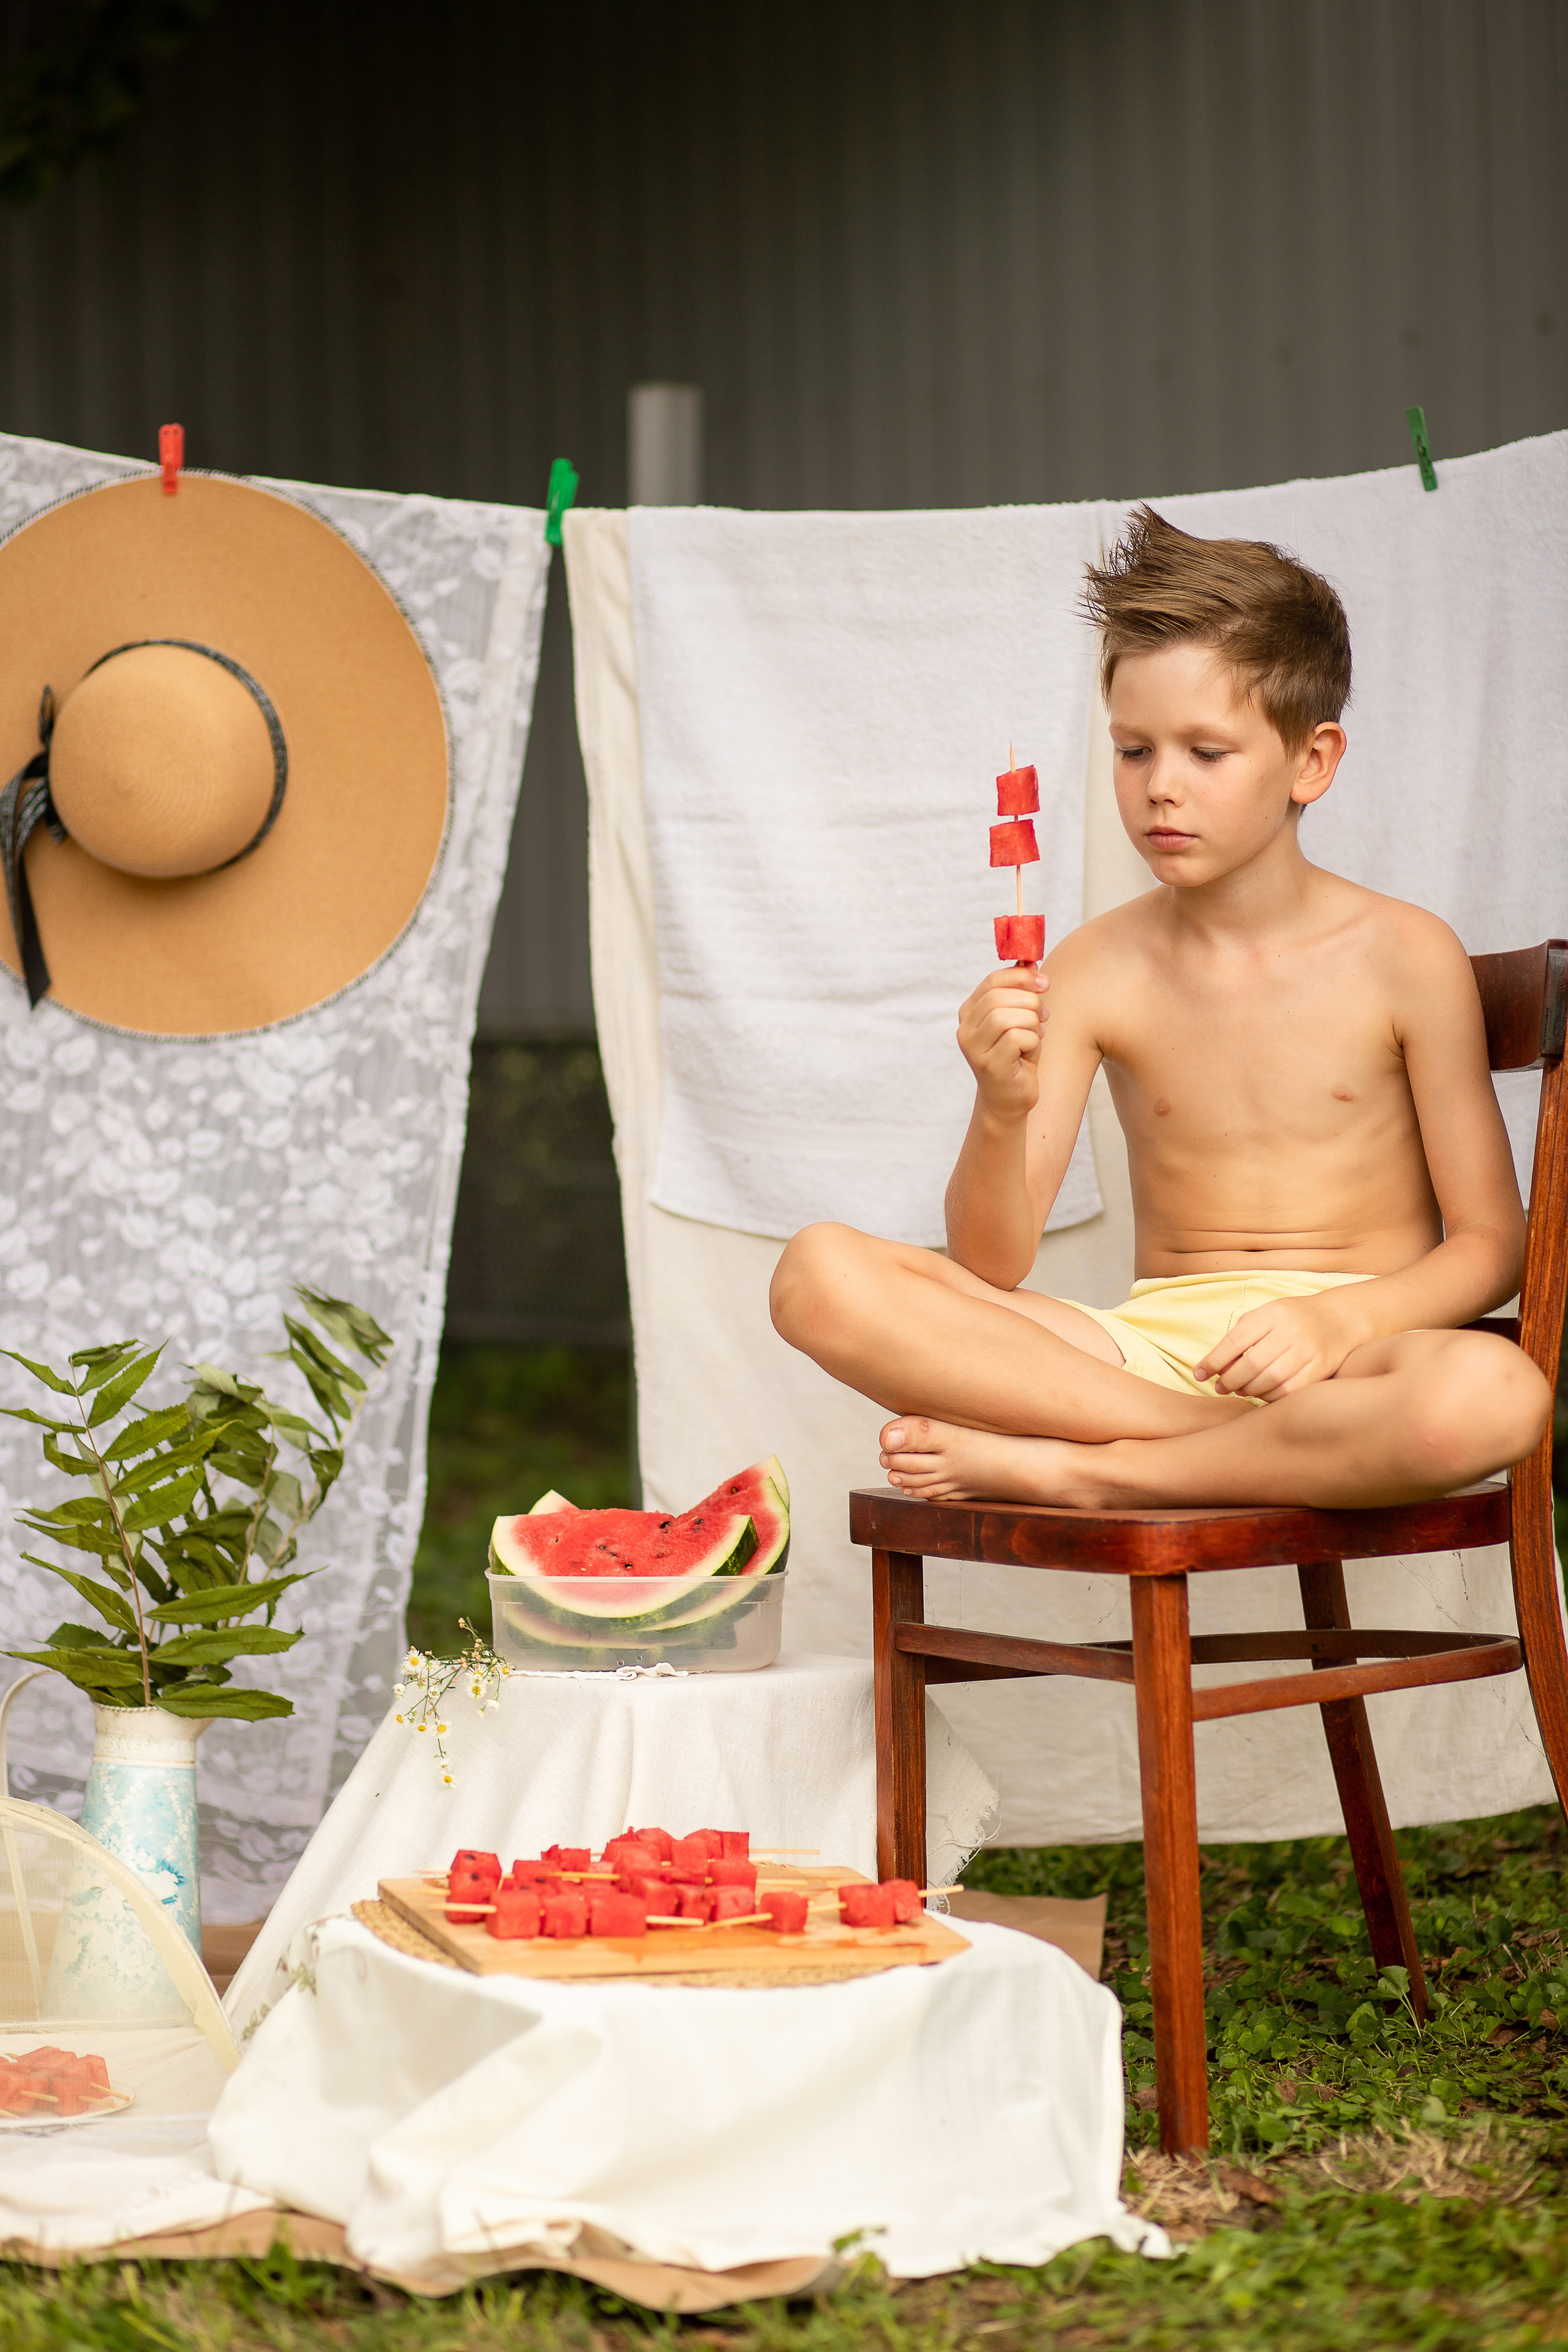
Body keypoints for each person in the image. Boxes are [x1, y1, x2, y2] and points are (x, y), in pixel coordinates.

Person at [769, 507, 1550, 1512]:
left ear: (1311, 761)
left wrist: (1337, 1325)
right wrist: (998, 1107)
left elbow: (1489, 1244)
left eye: (1206, 754)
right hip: (1137, 1355)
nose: (1159, 790)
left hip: (1352, 1355)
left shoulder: (1407, 955)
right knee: (818, 1275)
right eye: (1134, 751)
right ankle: (1215, 1444)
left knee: (1488, 1397)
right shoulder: (1098, 964)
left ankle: (1093, 1472)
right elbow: (991, 1262)